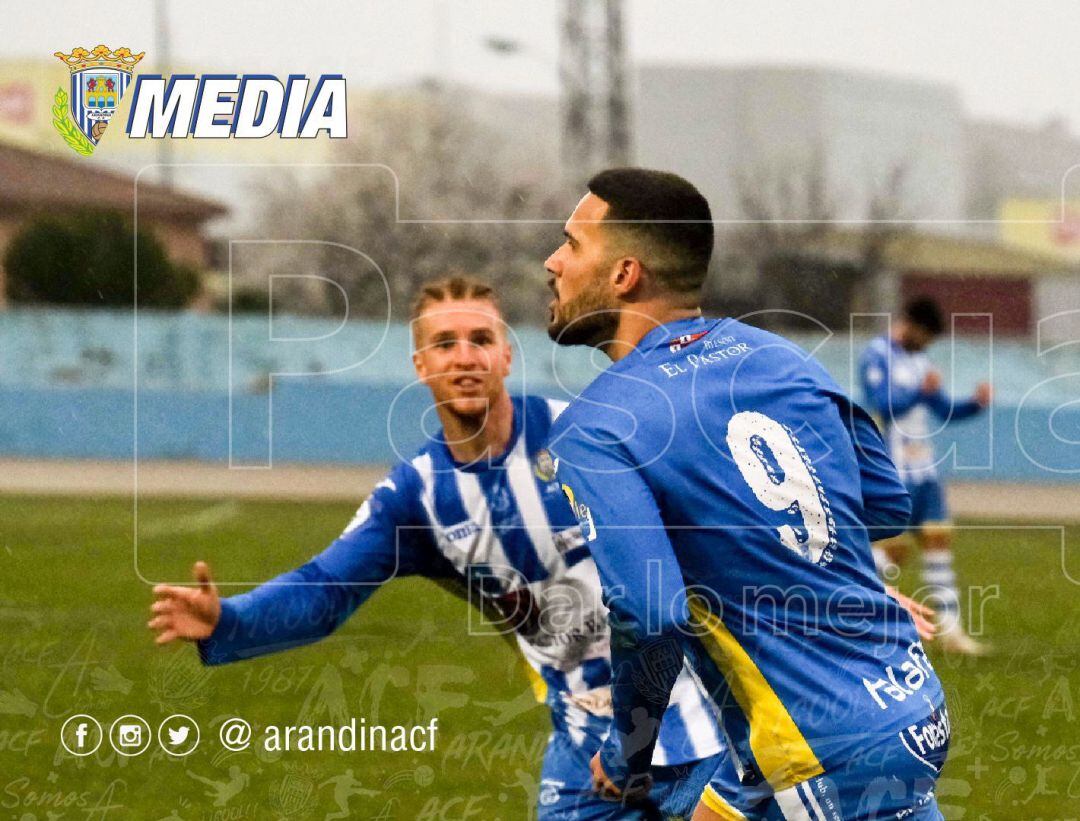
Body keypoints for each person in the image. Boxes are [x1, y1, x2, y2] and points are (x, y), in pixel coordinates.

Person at [148, 275, 725, 820]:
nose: (465, 357)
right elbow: (325, 589)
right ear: (420, 365)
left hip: (695, 720)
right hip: (580, 741)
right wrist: (230, 618)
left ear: (506, 354)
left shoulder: (587, 434)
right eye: (444, 343)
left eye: (480, 339)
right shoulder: (416, 497)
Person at [543, 168, 948, 819]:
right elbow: (882, 503)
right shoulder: (784, 359)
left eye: (571, 243)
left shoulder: (595, 427)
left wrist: (627, 754)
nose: (553, 260)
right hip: (910, 701)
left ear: (624, 274)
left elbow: (653, 613)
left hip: (813, 749)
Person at [859, 296, 992, 655]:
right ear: (910, 324)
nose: (928, 344)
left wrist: (975, 404)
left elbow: (941, 407)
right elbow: (882, 404)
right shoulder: (877, 354)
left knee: (938, 543)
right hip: (894, 469)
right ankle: (851, 605)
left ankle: (951, 632)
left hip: (925, 469)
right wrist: (921, 391)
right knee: (893, 552)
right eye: (926, 335)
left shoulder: (919, 360)